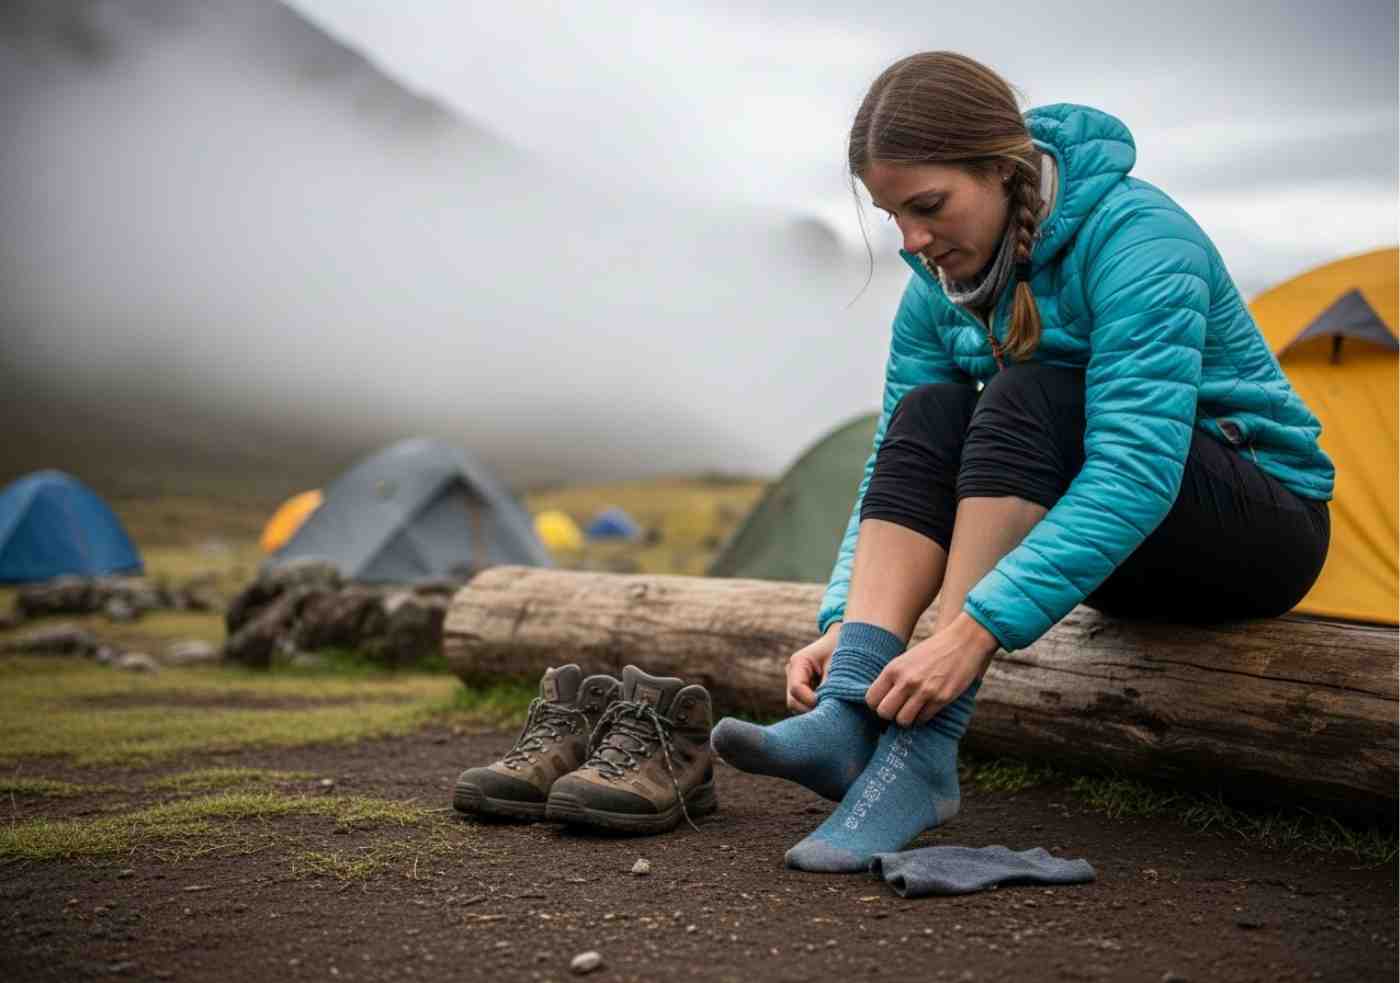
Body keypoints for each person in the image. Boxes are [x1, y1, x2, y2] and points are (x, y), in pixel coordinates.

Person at [710, 51, 1333, 873]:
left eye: (928, 206)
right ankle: (849, 709)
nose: (913, 241)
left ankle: (925, 751)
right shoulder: (934, 290)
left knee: (1027, 394)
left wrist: (970, 634)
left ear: (1002, 170)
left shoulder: (1140, 240)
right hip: (1110, 550)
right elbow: (895, 462)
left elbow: (1137, 471)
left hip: (1254, 527)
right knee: (933, 412)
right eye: (891, 214)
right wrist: (848, 624)